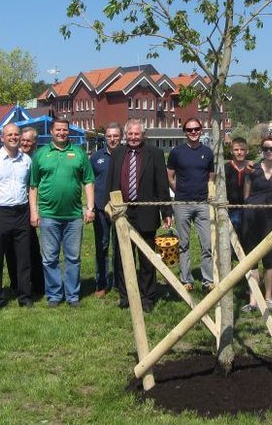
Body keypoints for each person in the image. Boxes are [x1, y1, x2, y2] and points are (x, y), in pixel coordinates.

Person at [106, 119, 172, 312]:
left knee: (146, 259)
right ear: (126, 135)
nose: (133, 137)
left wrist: (166, 211)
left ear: (143, 135)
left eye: (137, 134)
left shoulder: (155, 154)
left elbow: (162, 185)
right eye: (130, 134)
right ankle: (125, 296)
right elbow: (111, 182)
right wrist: (108, 208)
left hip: (146, 212)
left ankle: (147, 297)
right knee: (122, 257)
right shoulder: (118, 153)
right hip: (122, 213)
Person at [29, 118, 94, 307]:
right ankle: (55, 295)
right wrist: (34, 212)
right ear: (51, 131)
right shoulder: (41, 154)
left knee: (73, 258)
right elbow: (33, 186)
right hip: (48, 215)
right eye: (58, 130)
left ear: (68, 132)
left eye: (65, 130)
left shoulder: (79, 153)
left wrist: (89, 208)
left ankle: (72, 295)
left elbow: (88, 181)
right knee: (50, 258)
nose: (61, 133)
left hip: (74, 216)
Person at [0, 123, 34, 312]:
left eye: (16, 134)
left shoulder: (26, 161)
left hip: (21, 212)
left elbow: (30, 187)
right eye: (10, 135)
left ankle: (24, 295)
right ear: (2, 138)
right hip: (0, 213)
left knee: (23, 257)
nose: (14, 137)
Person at [167, 118, 215, 290]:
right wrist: (179, 190)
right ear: (184, 132)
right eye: (189, 130)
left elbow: (211, 176)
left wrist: (207, 192)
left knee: (207, 244)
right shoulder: (176, 152)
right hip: (182, 204)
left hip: (203, 204)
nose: (193, 132)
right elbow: (170, 176)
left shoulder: (208, 152)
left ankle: (208, 280)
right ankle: (186, 280)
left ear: (201, 130)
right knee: (183, 244)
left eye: (196, 129)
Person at [240, 135, 272, 312]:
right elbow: (246, 194)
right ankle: (253, 299)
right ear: (261, 150)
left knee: (268, 259)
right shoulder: (253, 169)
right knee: (252, 259)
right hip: (251, 217)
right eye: (265, 149)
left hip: (271, 218)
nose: (269, 152)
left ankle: (269, 297)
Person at [89, 122, 122, 298]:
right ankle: (101, 283)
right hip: (101, 209)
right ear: (105, 138)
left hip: (120, 209)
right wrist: (91, 206)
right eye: (109, 136)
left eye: (115, 136)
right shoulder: (96, 157)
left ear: (120, 136)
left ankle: (119, 282)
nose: (112, 139)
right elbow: (89, 182)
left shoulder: (126, 155)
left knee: (120, 247)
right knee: (102, 246)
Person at [18, 127, 44, 298]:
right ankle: (18, 284)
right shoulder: (17, 157)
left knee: (33, 247)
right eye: (24, 140)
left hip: (34, 205)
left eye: (29, 140)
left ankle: (38, 283)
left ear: (35, 142)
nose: (26, 143)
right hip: (20, 206)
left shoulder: (37, 158)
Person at [224, 137, 252, 235]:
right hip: (230, 210)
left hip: (248, 210)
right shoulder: (224, 169)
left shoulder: (253, 168)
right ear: (231, 151)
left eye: (242, 149)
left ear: (247, 151)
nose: (239, 152)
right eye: (236, 150)